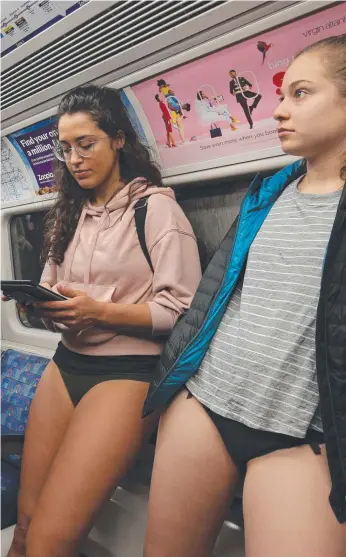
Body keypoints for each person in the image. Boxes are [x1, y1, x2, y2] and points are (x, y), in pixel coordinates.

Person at [143, 35, 346, 557]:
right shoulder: (268, 193)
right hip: (205, 405)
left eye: (301, 94)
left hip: (305, 435)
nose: (278, 110)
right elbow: (219, 297)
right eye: (281, 96)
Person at [3, 84, 201, 557]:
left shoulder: (156, 210)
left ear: (117, 139)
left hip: (127, 373)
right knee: (25, 526)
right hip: (66, 363)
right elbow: (52, 286)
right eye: (65, 148)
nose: (74, 158)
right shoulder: (68, 215)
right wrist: (46, 308)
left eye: (85, 144)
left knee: (50, 541)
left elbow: (183, 311)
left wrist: (99, 312)